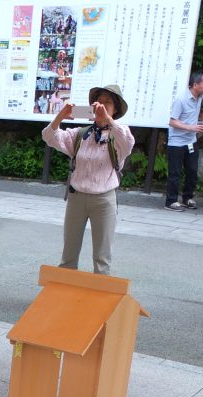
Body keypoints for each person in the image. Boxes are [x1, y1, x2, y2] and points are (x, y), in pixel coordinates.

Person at [42, 85, 133, 275]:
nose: (102, 105)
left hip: (104, 200)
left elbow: (128, 142)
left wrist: (107, 120)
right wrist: (61, 116)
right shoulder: (80, 134)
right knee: (69, 255)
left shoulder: (119, 136)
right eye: (99, 101)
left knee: (102, 258)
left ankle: (99, 302)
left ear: (115, 109)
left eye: (108, 102)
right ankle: (64, 296)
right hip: (77, 198)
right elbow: (49, 137)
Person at [165, 71, 203, 211]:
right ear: (195, 84)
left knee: (192, 170)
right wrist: (191, 127)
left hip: (191, 141)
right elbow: (172, 122)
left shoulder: (200, 97)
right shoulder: (181, 99)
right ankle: (171, 201)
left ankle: (187, 198)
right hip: (177, 142)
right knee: (175, 172)